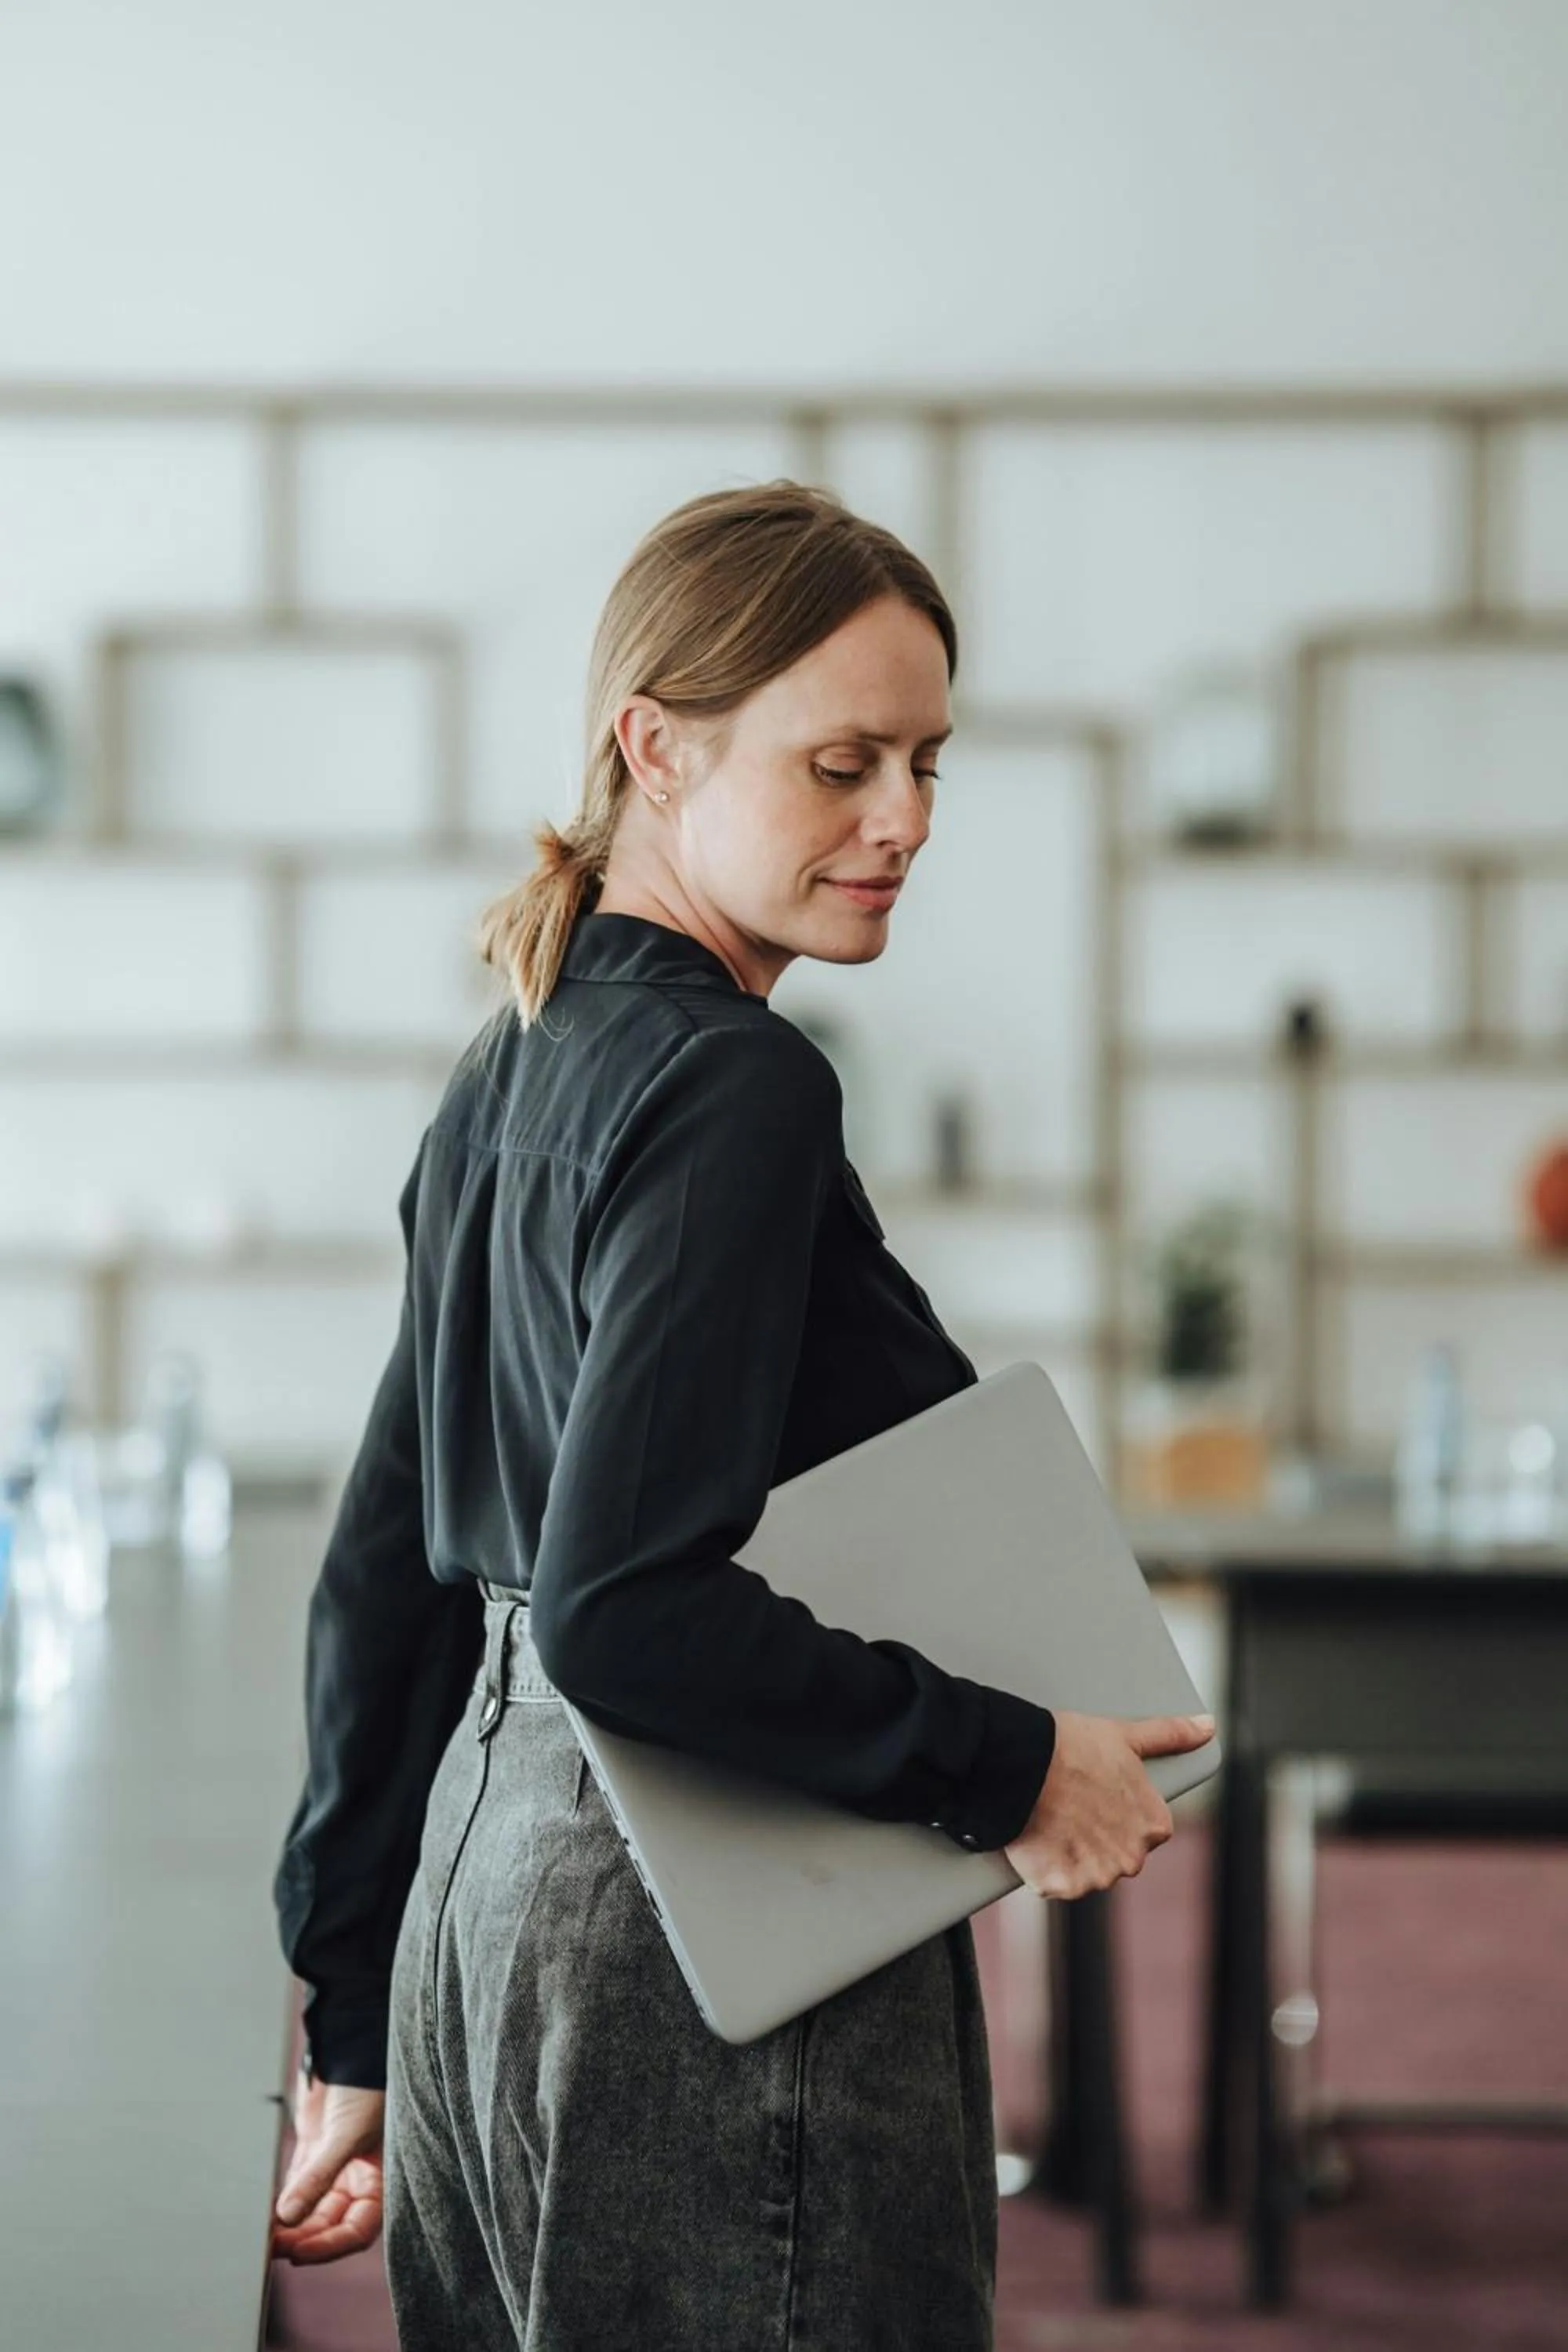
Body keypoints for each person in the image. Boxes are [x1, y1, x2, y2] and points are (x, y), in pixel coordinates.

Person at [268, 478, 1212, 2349]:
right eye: (842, 763)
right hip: (692, 1919)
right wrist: (1010, 1763)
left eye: (929, 765)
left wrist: (361, 2004)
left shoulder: (516, 1057)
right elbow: (629, 1610)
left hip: (491, 1886)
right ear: (658, 751)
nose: (901, 824)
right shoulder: (734, 1083)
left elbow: (391, 1570)